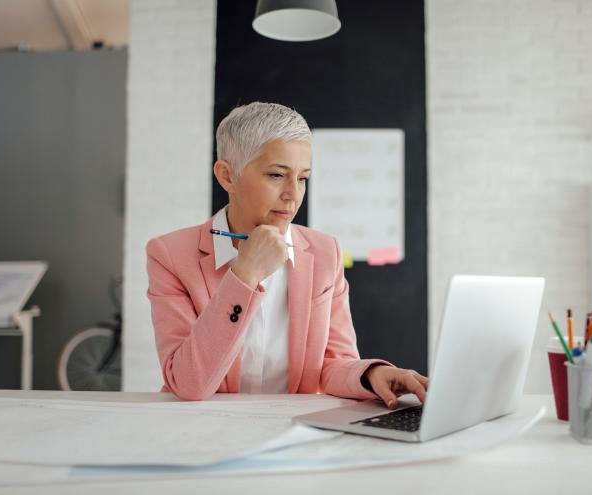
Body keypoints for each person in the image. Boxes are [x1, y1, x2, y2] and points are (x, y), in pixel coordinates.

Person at [146, 102, 428, 409]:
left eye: (303, 178)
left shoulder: (324, 253)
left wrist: (372, 374)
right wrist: (244, 276)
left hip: (290, 430)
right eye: (277, 175)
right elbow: (189, 384)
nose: (293, 195)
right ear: (227, 176)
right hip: (201, 430)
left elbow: (332, 363)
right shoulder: (170, 255)